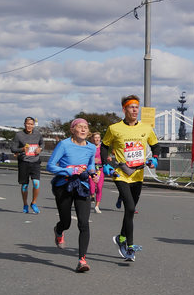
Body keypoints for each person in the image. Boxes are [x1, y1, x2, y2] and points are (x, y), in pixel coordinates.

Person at [101, 95, 161, 261]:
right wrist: (105, 164)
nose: (135, 110)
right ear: (124, 109)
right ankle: (129, 247)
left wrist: (155, 157)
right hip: (121, 173)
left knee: (130, 210)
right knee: (129, 207)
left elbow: (156, 145)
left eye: (137, 107)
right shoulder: (114, 128)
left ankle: (120, 238)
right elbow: (104, 146)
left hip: (138, 174)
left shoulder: (146, 128)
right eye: (131, 107)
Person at [48, 119, 97, 272]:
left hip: (82, 186)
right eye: (79, 127)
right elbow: (50, 165)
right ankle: (59, 230)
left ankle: (82, 260)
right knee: (66, 221)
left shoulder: (91, 147)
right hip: (63, 185)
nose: (83, 129)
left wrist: (92, 172)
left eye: (86, 127)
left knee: (84, 223)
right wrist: (69, 171)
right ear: (72, 130)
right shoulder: (64, 144)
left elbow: (90, 164)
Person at [10, 117, 44, 213]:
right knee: (25, 185)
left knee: (36, 183)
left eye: (31, 124)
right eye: (28, 124)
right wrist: (21, 150)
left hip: (35, 161)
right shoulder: (19, 135)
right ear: (24, 124)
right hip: (24, 161)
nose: (29, 126)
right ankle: (25, 204)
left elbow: (42, 144)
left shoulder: (37, 134)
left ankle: (33, 203)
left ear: (34, 125)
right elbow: (13, 148)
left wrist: (40, 149)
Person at [90, 132, 106, 213]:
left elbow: (105, 156)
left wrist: (108, 158)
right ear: (92, 139)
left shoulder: (102, 148)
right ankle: (92, 196)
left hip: (100, 169)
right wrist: (93, 160)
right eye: (95, 137)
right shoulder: (90, 147)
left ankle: (97, 206)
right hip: (91, 170)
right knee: (92, 189)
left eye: (98, 137)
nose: (97, 139)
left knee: (99, 188)